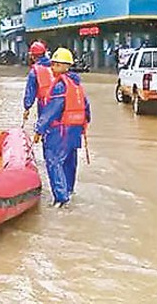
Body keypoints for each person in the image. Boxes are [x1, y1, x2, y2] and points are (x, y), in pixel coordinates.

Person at [35, 48, 91, 208]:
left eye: (55, 65)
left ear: (64, 66)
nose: (52, 68)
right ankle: (69, 190)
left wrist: (39, 129)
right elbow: (87, 108)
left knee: (54, 161)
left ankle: (61, 198)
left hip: (60, 131)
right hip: (75, 130)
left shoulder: (61, 86)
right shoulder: (76, 84)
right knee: (69, 162)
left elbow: (52, 110)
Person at [23, 41, 53, 124]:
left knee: (44, 126)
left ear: (33, 56)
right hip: (58, 101)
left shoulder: (34, 72)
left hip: (44, 102)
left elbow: (30, 92)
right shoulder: (55, 66)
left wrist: (27, 108)